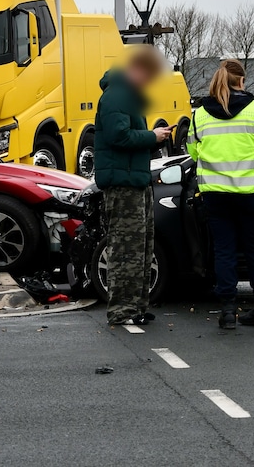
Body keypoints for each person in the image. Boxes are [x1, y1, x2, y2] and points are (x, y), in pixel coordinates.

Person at [187, 59, 254, 329]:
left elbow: (193, 152)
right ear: (241, 81)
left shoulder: (200, 114)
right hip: (251, 194)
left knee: (224, 252)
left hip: (215, 195)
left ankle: (228, 312)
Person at [93, 45, 171, 326]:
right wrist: (153, 136)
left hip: (135, 180)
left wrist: (152, 139)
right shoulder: (116, 95)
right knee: (126, 249)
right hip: (123, 183)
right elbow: (119, 136)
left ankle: (136, 306)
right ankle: (122, 310)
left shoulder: (128, 95)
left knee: (140, 247)